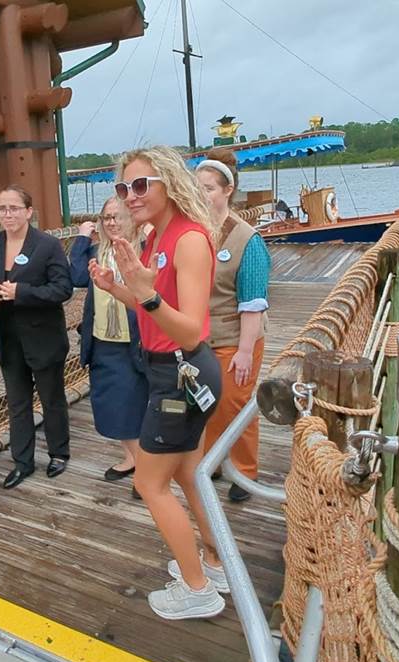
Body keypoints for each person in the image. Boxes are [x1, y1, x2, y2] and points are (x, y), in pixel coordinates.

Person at [90, 146, 227, 620]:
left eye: (141, 185)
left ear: (169, 183)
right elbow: (155, 307)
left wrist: (145, 294)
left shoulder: (188, 240)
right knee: (188, 474)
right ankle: (215, 563)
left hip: (181, 373)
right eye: (124, 187)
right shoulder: (155, 238)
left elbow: (189, 330)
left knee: (150, 484)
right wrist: (118, 288)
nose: (130, 195)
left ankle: (197, 589)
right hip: (170, 371)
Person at [0, 185, 73, 489]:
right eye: (3, 208)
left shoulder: (47, 245)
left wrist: (21, 292)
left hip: (44, 338)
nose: (8, 214)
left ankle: (58, 453)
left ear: (29, 212)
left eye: (14, 208)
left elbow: (63, 289)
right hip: (8, 337)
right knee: (17, 403)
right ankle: (22, 462)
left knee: (52, 399)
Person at [195, 148, 271, 502]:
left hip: (236, 336)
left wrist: (244, 351)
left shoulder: (246, 239)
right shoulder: (195, 232)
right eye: (197, 188)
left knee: (236, 403)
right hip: (201, 338)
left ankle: (244, 469)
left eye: (209, 188)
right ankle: (212, 461)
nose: (202, 195)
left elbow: (252, 303)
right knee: (207, 401)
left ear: (228, 190)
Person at [69, 198, 147, 482]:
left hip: (134, 343)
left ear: (132, 218)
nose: (112, 223)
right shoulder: (96, 251)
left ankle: (146, 471)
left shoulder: (144, 250)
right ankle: (133, 459)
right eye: (106, 218)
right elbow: (77, 276)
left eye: (118, 216)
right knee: (111, 405)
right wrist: (81, 239)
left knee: (135, 405)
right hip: (103, 342)